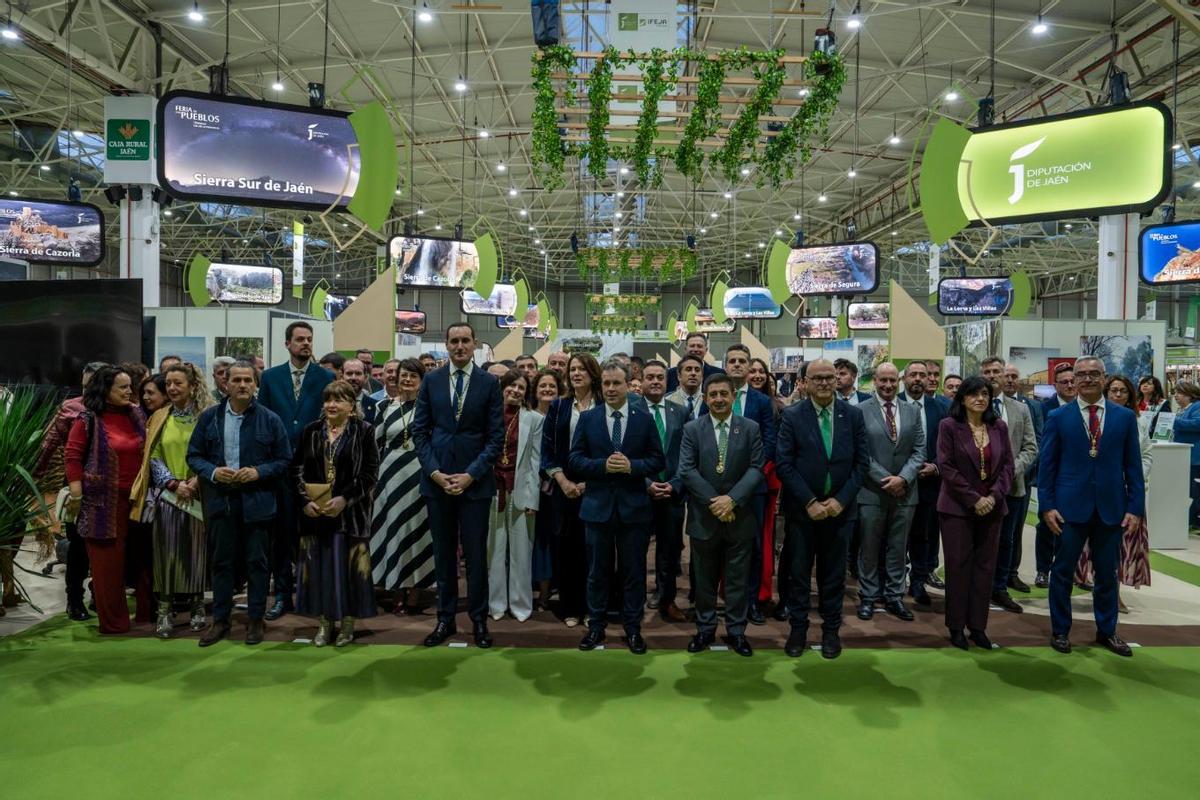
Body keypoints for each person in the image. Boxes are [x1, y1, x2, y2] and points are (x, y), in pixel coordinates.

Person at [1040, 356, 1144, 657]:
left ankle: (1107, 631)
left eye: (1093, 374)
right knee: (1062, 571)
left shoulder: (1124, 417)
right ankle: (1060, 630)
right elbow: (1047, 467)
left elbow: (1133, 466)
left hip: (1112, 508)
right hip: (1069, 508)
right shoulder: (1059, 417)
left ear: (1104, 377)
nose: (1086, 379)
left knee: (1108, 574)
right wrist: (1046, 505)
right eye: (1081, 374)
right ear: (1074, 378)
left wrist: (1135, 507)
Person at [187, 360, 292, 646]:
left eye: (248, 380)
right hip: (221, 503)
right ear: (226, 384)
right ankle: (220, 621)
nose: (243, 385)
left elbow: (284, 460)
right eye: (237, 380)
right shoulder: (209, 418)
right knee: (221, 564)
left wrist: (259, 471)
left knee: (258, 564)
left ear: (256, 384)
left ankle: (255, 620)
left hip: (257, 503)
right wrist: (211, 471)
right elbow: (193, 455)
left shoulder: (271, 419)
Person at [413, 323, 504, 648]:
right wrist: (436, 473)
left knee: (476, 558)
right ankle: (445, 619)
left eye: (466, 340)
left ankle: (479, 621)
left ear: (475, 344)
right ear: (447, 345)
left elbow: (496, 439)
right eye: (455, 341)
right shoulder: (432, 381)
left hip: (475, 484)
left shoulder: (489, 383)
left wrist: (471, 475)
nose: (460, 346)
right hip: (437, 483)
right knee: (443, 556)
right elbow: (419, 433)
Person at [568, 359, 665, 654]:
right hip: (597, 508)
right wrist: (603, 466)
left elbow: (658, 461)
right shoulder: (588, 419)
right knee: (597, 572)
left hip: (634, 509)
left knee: (633, 572)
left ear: (627, 385)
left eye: (616, 383)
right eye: (606, 384)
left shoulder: (644, 419)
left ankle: (633, 629)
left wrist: (632, 467)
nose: (610, 389)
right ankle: (595, 627)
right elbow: (574, 460)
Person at [776, 359, 869, 659]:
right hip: (803, 511)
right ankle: (798, 629)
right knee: (799, 574)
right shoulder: (792, 416)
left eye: (830, 377)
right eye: (818, 378)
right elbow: (784, 464)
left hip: (840, 511)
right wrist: (810, 502)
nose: (826, 383)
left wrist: (840, 501)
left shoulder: (853, 415)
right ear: (804, 382)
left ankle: (831, 631)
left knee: (833, 575)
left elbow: (861, 464)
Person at [679, 374, 765, 656]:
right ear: (705, 398)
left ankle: (737, 631)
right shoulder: (692, 429)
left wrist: (732, 500)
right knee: (703, 580)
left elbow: (756, 468)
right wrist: (716, 503)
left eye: (723, 394)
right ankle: (705, 630)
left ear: (733, 396)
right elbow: (687, 470)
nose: (718, 399)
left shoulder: (750, 428)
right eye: (712, 394)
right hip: (705, 517)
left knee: (738, 580)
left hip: (740, 517)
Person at [293, 380, 380, 647]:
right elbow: (296, 469)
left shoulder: (364, 432)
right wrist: (305, 500)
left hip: (351, 516)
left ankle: (348, 625)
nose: (331, 404)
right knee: (320, 571)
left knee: (350, 573)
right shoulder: (311, 431)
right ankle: (324, 623)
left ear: (352, 406)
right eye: (328, 399)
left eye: (339, 400)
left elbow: (370, 474)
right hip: (316, 515)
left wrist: (345, 498)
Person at [257, 321, 334, 621]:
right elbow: (263, 418)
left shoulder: (325, 376)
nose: (305, 344)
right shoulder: (270, 377)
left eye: (309, 339)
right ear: (287, 343)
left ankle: (311, 595)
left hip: (313, 467)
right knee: (281, 536)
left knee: (312, 535)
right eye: (299, 339)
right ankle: (282, 596)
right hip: (279, 468)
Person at [129, 363, 213, 638]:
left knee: (197, 554)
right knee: (167, 555)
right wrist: (174, 484)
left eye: (179, 383)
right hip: (169, 495)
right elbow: (152, 456)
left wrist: (195, 482)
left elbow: (214, 453)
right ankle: (164, 612)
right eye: (169, 384)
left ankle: (198, 606)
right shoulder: (159, 416)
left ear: (192, 386)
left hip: (200, 493)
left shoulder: (207, 416)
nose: (173, 389)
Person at [62, 365, 148, 634]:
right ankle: (113, 623)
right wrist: (76, 495)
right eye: (122, 387)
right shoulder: (87, 418)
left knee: (142, 562)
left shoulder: (136, 414)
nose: (129, 391)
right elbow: (72, 457)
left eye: (129, 386)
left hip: (139, 501)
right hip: (102, 505)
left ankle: (148, 616)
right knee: (107, 566)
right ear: (106, 391)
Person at [935, 375, 1014, 650]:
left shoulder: (999, 427)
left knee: (985, 569)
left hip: (992, 509)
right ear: (962, 398)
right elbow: (946, 467)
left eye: (984, 394)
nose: (980, 399)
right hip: (957, 509)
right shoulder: (949, 426)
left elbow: (1007, 467)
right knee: (958, 569)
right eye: (973, 394)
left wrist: (992, 497)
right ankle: (956, 627)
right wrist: (973, 499)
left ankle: (978, 627)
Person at [34, 361, 105, 621]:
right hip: (77, 483)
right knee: (79, 545)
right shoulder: (71, 408)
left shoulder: (121, 409)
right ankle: (74, 599)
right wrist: (33, 479)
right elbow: (48, 446)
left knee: (107, 543)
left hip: (110, 485)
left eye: (93, 386)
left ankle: (101, 595)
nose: (87, 392)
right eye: (84, 386)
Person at [1074, 376, 1153, 608]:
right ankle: (1098, 587)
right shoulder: (1093, 419)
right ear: (1106, 393)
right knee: (1096, 547)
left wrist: (1132, 477)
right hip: (1096, 494)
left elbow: (1145, 455)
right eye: (1113, 390)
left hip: (1127, 496)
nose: (1118, 395)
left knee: (1121, 548)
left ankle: (1113, 593)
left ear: (1130, 395)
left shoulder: (1138, 422)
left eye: (1123, 391)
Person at [855, 363, 925, 622]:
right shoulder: (860, 411)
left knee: (898, 547)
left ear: (900, 381)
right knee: (869, 548)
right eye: (883, 380)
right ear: (874, 380)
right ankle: (869, 596)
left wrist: (904, 478)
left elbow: (920, 449)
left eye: (892, 380)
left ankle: (895, 596)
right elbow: (861, 452)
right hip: (872, 492)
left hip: (905, 493)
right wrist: (887, 480)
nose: (887, 385)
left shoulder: (912, 411)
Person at [368, 358, 433, 615]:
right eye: (403, 375)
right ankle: (395, 587)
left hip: (420, 474)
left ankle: (415, 590)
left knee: (416, 531)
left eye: (412, 376)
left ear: (421, 381)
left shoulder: (430, 408)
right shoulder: (384, 406)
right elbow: (376, 442)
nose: (406, 380)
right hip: (389, 477)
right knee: (391, 529)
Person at [542, 353, 600, 627]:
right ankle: (570, 607)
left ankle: (593, 608)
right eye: (572, 369)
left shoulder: (604, 404)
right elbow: (548, 449)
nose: (576, 373)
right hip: (565, 487)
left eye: (582, 369)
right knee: (567, 550)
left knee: (594, 551)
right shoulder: (559, 407)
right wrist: (563, 482)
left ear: (593, 372)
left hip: (598, 486)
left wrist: (591, 482)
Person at [722, 344, 777, 624]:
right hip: (719, 488)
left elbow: (769, 444)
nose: (737, 365)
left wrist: (749, 477)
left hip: (754, 486)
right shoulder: (716, 397)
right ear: (725, 365)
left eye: (742, 361)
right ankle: (725, 600)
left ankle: (753, 601)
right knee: (719, 545)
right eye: (732, 361)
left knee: (753, 546)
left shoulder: (762, 402)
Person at [979, 357, 1038, 615]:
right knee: (979, 539)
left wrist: (1011, 470)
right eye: (988, 372)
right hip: (978, 490)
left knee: (1007, 540)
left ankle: (1000, 587)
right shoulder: (971, 405)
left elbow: (1030, 446)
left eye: (997, 371)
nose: (993, 376)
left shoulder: (1020, 409)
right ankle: (977, 586)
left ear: (1006, 376)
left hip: (1012, 487)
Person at [486, 370, 543, 622]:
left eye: (521, 387)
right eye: (511, 385)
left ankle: (520, 605)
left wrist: (533, 499)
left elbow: (535, 461)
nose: (516, 390)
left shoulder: (534, 419)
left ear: (526, 392)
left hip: (521, 492)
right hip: (492, 491)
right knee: (494, 551)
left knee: (521, 553)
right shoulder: (488, 416)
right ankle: (496, 605)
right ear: (502, 387)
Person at [640, 360, 688, 622]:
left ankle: (666, 598)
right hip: (640, 491)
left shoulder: (680, 411)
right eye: (650, 377)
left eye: (660, 377)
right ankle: (634, 597)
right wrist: (647, 484)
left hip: (672, 491)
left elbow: (687, 454)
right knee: (636, 549)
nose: (656, 381)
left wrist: (676, 483)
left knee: (669, 551)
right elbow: (627, 453)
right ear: (642, 381)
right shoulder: (631, 410)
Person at [899, 361, 946, 606]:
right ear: (904, 378)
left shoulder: (940, 408)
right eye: (913, 374)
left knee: (923, 536)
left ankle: (918, 582)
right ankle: (894, 584)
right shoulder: (891, 404)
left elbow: (947, 446)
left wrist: (936, 466)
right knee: (896, 537)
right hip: (897, 483)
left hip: (929, 482)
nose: (918, 378)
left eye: (923, 375)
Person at [998, 362, 1043, 594]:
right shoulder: (981, 403)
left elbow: (1033, 444)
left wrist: (1013, 471)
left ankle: (1010, 574)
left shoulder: (1029, 407)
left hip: (1017, 481)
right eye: (1005, 375)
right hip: (985, 485)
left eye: (1013, 376)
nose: (1008, 380)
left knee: (1014, 532)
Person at [1035, 362, 1077, 587]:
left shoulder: (1084, 409)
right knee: (1046, 524)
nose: (1070, 385)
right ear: (1055, 385)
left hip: (1076, 479)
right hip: (1051, 476)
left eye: (1073, 381)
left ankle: (1070, 571)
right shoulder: (1044, 409)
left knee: (1073, 526)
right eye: (1064, 382)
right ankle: (1043, 569)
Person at [532, 368, 565, 610]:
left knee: (561, 539)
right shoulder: (528, 417)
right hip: (535, 491)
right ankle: (542, 592)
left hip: (562, 487)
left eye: (552, 387)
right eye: (542, 386)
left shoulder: (563, 417)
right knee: (541, 541)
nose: (547, 390)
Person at [667, 354, 706, 420]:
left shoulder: (709, 402)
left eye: (697, 370)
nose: (693, 373)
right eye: (688, 369)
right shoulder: (667, 401)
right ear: (679, 376)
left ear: (702, 377)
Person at [341, 358, 379, 424]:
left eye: (358, 373)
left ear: (366, 378)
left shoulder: (376, 406)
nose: (353, 378)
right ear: (341, 377)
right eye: (349, 373)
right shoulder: (331, 405)